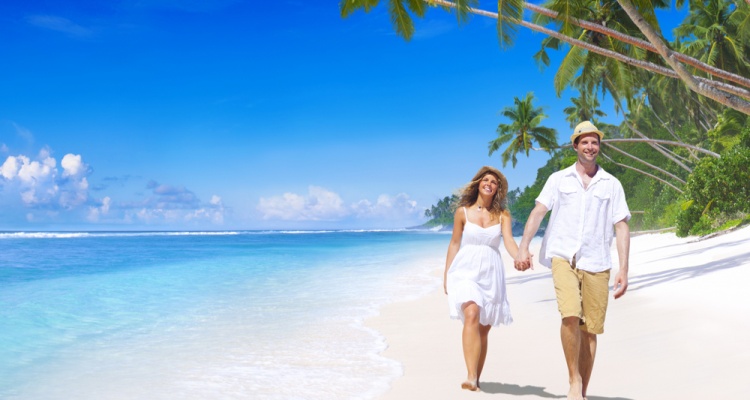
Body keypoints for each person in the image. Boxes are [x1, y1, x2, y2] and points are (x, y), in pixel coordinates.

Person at [514, 120, 630, 400]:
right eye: (585, 142)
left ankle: (583, 391)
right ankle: (573, 381)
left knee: (590, 331)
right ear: (575, 145)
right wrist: (523, 246)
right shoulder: (558, 179)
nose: (590, 147)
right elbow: (539, 211)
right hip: (563, 256)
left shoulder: (611, 184)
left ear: (598, 147)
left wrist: (624, 269)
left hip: (597, 261)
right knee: (569, 316)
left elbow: (622, 225)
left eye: (595, 142)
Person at [444, 165, 522, 392]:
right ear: (478, 183)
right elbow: (455, 243)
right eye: (485, 179)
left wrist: (519, 257)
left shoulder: (502, 215)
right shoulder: (463, 212)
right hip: (465, 270)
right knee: (472, 313)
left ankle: (476, 377)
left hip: (491, 272)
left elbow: (508, 241)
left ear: (498, 189)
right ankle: (470, 376)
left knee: (484, 328)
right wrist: (447, 275)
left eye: (494, 182)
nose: (489, 183)